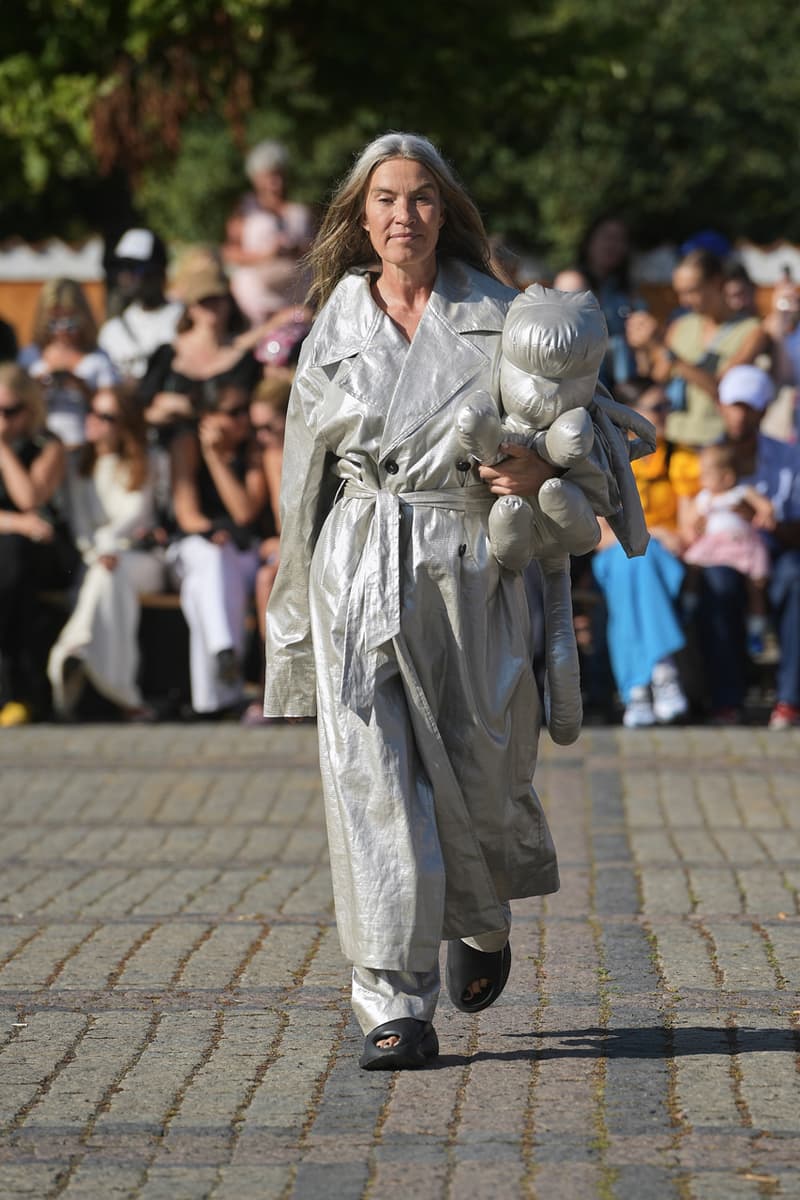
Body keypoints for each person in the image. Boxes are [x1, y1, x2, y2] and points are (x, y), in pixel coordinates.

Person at [264, 131, 605, 1071]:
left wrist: (538, 466)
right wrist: (291, 603)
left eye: (419, 197)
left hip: (471, 565)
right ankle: (393, 998)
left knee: (484, 769)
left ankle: (481, 921)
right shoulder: (334, 318)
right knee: (368, 779)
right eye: (384, 199)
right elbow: (304, 473)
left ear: (444, 210)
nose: (402, 215)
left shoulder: (504, 314)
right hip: (361, 555)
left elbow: (593, 438)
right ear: (360, 216)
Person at [47, 386, 164, 720]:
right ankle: (124, 694)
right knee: (106, 576)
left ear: (124, 424)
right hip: (99, 561)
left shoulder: (146, 460)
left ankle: (74, 649)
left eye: (106, 416)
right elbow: (80, 526)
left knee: (110, 572)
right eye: (93, 413)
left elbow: (135, 515)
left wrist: (108, 548)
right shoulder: (78, 466)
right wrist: (100, 552)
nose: (94, 422)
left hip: (142, 558)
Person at [695, 365, 800, 727]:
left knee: (795, 578)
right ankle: (726, 698)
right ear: (721, 407)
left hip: (777, 549)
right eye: (733, 406)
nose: (739, 415)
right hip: (722, 551)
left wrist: (769, 524)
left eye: (748, 406)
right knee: (717, 583)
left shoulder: (790, 457)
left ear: (764, 409)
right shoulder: (706, 455)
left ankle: (789, 699)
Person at [591, 380, 690, 728]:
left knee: (639, 562)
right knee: (632, 562)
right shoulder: (608, 462)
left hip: (667, 558)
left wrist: (649, 537)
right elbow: (599, 536)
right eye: (656, 407)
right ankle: (662, 670)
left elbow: (687, 534)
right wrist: (643, 538)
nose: (665, 414)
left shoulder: (680, 457)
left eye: (667, 407)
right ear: (631, 415)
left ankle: (636, 688)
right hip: (617, 555)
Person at [168, 382, 266, 716]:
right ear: (208, 417)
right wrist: (213, 531)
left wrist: (216, 458)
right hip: (195, 546)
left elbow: (244, 511)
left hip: (239, 550)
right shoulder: (186, 444)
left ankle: (211, 698)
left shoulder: (252, 451)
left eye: (245, 411)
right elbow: (187, 515)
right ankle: (226, 659)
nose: (243, 419)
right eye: (232, 412)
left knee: (204, 586)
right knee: (211, 558)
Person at [626, 249, 767, 454]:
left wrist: (664, 350)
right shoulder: (681, 325)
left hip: (715, 445)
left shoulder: (752, 330)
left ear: (717, 283)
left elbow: (720, 389)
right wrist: (644, 347)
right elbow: (658, 377)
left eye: (692, 291)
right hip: (673, 441)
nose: (684, 301)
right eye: (680, 292)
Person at [0, 365, 78, 725]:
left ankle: (22, 692)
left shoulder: (49, 445)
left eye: (9, 411)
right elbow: (21, 517)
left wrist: (2, 449)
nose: (2, 420)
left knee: (14, 560)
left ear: (30, 409)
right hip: (12, 545)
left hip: (43, 554)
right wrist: (14, 523)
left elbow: (29, 497)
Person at [683, 441, 774, 658]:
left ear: (727, 477)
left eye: (707, 473)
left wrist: (764, 516)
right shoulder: (704, 498)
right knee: (693, 568)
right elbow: (689, 521)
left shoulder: (742, 491)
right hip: (715, 548)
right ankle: (689, 604)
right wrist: (696, 525)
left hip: (742, 545)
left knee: (756, 588)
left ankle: (756, 631)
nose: (701, 478)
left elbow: (766, 507)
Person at [222, 139, 314, 327]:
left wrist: (297, 249)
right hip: (258, 299)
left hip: (296, 295)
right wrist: (267, 255)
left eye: (279, 175)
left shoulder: (299, 210)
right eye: (270, 175)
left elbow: (317, 248)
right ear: (256, 178)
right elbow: (230, 252)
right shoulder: (245, 211)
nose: (276, 182)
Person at [241, 377, 290, 726]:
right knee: (266, 580)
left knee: (270, 578)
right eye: (255, 428)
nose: (260, 436)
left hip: (323, 540)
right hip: (289, 545)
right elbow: (276, 516)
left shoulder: (321, 446)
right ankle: (270, 684)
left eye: (268, 427)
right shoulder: (271, 454)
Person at [23, 278, 120, 448]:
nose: (61, 331)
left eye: (70, 323)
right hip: (40, 449)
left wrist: (80, 386)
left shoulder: (98, 358)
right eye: (52, 323)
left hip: (87, 450)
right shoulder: (29, 356)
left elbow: (116, 409)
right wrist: (36, 388)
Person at [98, 229, 183, 382]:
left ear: (159, 271)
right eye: (120, 267)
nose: (124, 275)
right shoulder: (112, 330)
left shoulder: (184, 319)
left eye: (133, 267)